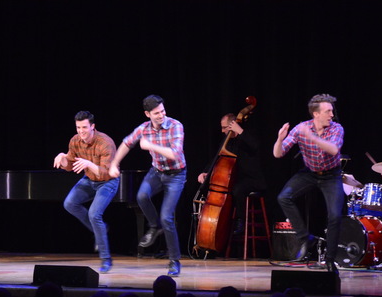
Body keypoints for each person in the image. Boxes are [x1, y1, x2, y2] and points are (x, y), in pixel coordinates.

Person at [109, 94, 186, 276]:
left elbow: (175, 154)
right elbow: (127, 143)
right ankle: (154, 226)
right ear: (147, 114)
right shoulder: (144, 129)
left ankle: (174, 261)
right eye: (156, 113)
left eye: (162, 111)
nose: (161, 115)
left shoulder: (176, 125)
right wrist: (114, 163)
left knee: (167, 217)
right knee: (141, 196)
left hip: (176, 175)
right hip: (156, 173)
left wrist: (150, 145)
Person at [273, 93, 344, 273]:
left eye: (331, 111)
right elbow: (278, 154)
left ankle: (330, 260)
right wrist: (280, 139)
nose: (331, 114)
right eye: (328, 111)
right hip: (310, 173)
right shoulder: (301, 128)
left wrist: (312, 138)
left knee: (335, 216)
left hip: (331, 175)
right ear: (316, 114)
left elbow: (334, 149)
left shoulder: (336, 128)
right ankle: (306, 238)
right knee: (284, 197)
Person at [53, 111, 119, 273]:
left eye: (84, 127)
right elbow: (70, 165)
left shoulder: (105, 142)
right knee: (69, 203)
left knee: (94, 214)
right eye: (78, 127)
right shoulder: (75, 141)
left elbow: (106, 172)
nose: (81, 131)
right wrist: (62, 158)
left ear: (92, 127)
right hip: (89, 180)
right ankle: (101, 229)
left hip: (107, 181)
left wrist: (89, 164)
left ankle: (105, 259)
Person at [197, 113, 267, 235]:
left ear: (232, 125)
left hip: (253, 179)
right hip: (235, 179)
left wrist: (240, 131)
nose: (222, 130)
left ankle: (241, 221)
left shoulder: (247, 135)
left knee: (238, 189)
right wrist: (205, 172)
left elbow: (256, 146)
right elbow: (217, 158)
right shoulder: (227, 141)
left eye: (225, 127)